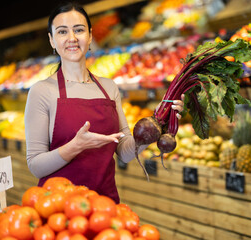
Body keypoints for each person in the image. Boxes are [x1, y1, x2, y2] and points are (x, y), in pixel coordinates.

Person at [24, 0, 184, 203]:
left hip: (105, 206)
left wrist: (157, 124)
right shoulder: (42, 91)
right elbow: (35, 165)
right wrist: (75, 146)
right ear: (52, 40)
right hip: (59, 209)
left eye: (79, 30)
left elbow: (125, 152)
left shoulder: (109, 88)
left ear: (90, 36)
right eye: (62, 32)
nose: (72, 38)